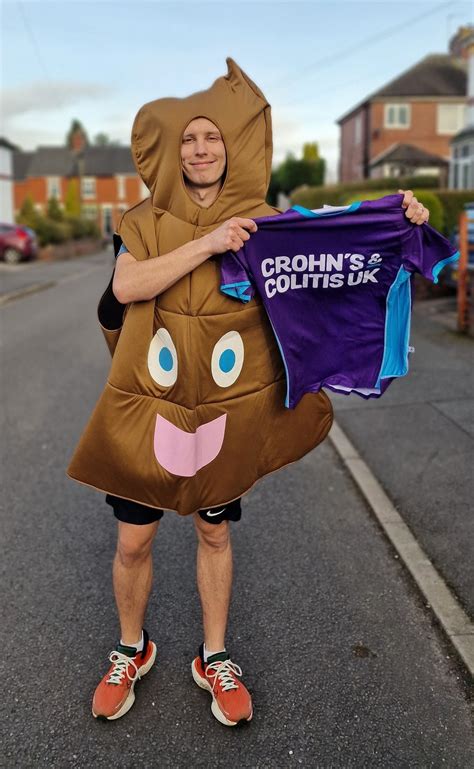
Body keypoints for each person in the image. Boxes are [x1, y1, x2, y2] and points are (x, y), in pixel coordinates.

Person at [67, 60, 430, 727]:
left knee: (213, 532)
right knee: (131, 542)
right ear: (175, 150)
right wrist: (208, 243)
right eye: (189, 139)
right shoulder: (142, 218)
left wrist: (395, 220)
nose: (201, 148)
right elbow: (127, 287)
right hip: (149, 406)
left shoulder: (264, 220)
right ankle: (131, 648)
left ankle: (214, 655)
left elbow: (331, 250)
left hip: (224, 415)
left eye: (212, 136)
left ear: (229, 146)